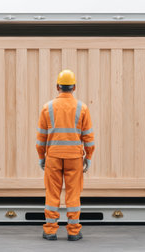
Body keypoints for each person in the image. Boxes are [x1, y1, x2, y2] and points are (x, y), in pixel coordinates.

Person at [36, 69, 95, 241]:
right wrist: (88, 157)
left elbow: (41, 138)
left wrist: (42, 157)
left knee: (52, 193)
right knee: (73, 194)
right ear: (74, 87)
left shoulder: (47, 108)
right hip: (75, 158)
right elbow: (89, 138)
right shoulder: (82, 108)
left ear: (57, 87)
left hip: (53, 156)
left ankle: (50, 231)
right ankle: (74, 232)